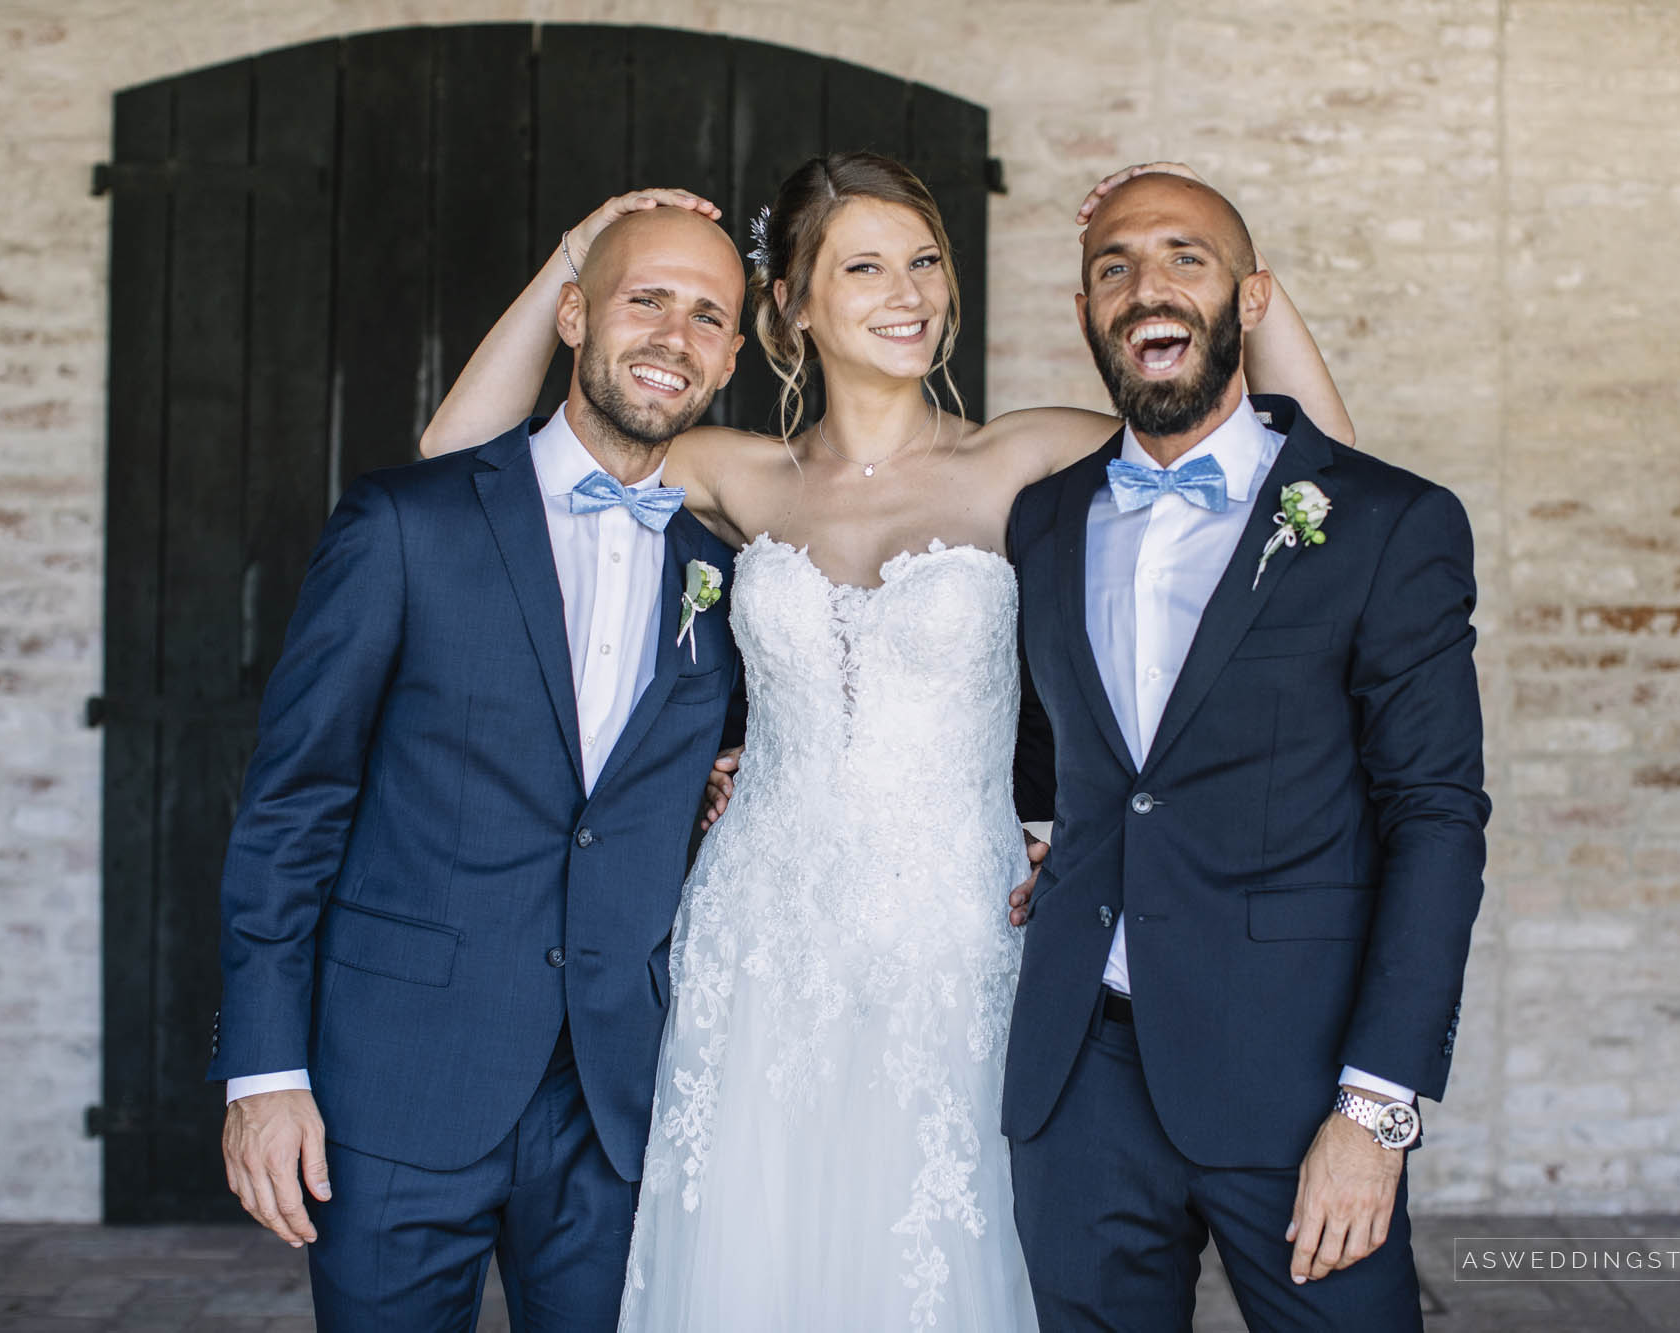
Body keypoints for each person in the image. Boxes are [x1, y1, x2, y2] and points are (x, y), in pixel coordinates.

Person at [420, 155, 1354, 1330]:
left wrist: (1243, 271)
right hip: (758, 944)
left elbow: (1314, 471)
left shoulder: (1026, 458)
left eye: (924, 263)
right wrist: (572, 257)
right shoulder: (730, 472)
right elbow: (460, 467)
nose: (906, 291)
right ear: (791, 306)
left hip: (957, 941)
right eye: (863, 266)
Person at [210, 205, 751, 1328]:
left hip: (617, 1101)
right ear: (571, 314)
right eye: (643, 297)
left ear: (733, 357)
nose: (673, 334)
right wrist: (264, 1074)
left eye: (708, 315)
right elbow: (291, 804)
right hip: (397, 1083)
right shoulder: (407, 524)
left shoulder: (727, 574)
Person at [1001, 170, 1490, 1331]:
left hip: (1298, 1078)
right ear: (1083, 313)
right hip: (1078, 1084)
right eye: (1111, 266)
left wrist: (1373, 1113)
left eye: (1185, 257)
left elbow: (1433, 817)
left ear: (1250, 299)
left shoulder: (1382, 521)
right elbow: (1045, 745)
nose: (1144, 287)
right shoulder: (1044, 518)